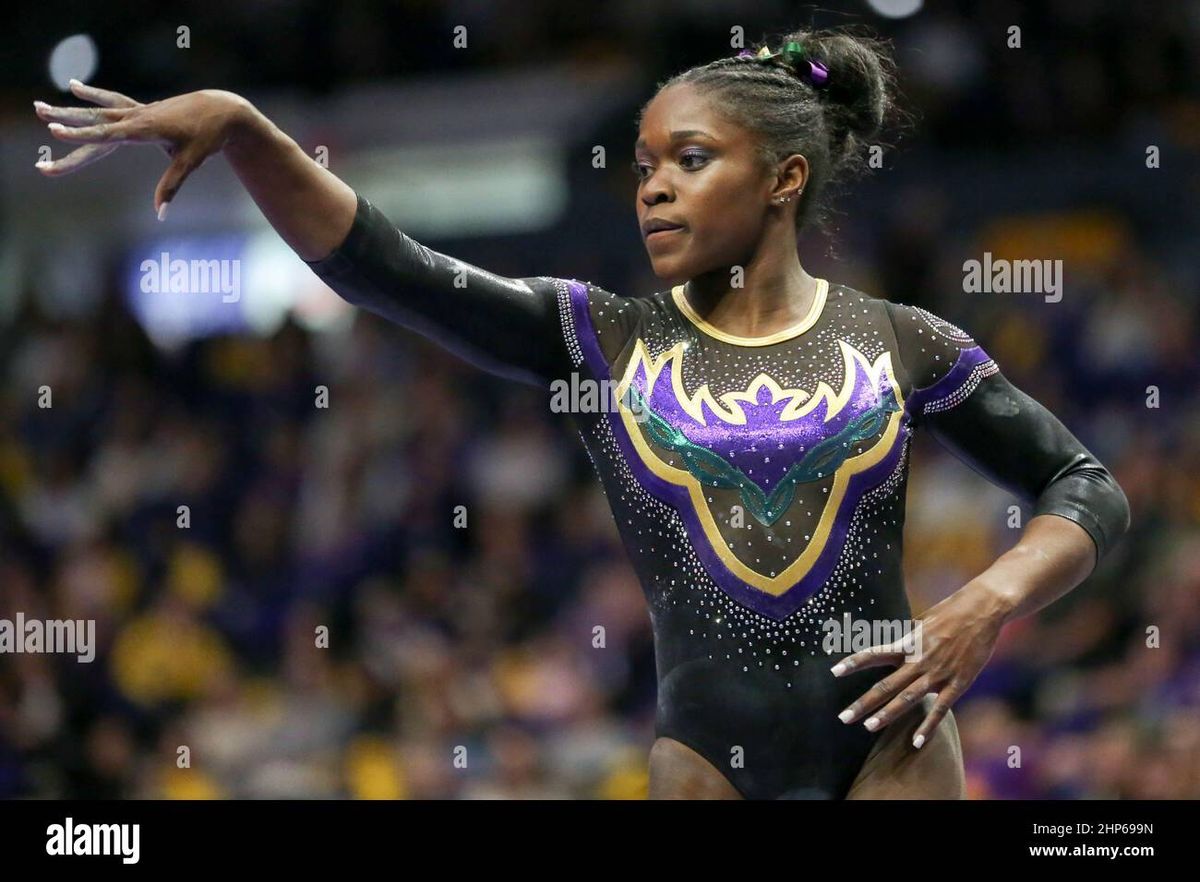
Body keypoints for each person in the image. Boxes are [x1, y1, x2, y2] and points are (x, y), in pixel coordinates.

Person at [35, 26, 1130, 800]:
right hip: (704, 764)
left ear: (786, 179)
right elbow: (388, 271)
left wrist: (985, 602)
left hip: (897, 754)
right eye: (646, 165)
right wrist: (246, 130)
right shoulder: (605, 339)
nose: (650, 187)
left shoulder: (901, 342)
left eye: (690, 162)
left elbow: (1088, 488)